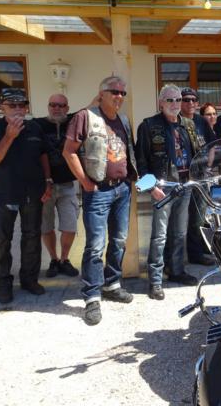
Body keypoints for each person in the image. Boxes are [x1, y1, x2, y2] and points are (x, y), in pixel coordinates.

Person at [63, 76, 138, 326]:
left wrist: (132, 179)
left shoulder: (123, 120)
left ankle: (112, 284)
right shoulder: (85, 117)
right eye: (114, 91)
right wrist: (85, 182)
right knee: (95, 246)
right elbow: (69, 151)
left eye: (122, 93)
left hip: (122, 190)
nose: (119, 96)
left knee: (118, 240)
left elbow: (128, 151)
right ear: (101, 93)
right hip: (98, 191)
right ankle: (92, 297)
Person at [0, 88, 52, 304]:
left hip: (33, 192)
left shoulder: (34, 127)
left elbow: (43, 155)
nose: (18, 109)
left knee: (32, 237)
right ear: (2, 108)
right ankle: (3, 285)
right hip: (4, 194)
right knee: (1, 240)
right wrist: (9, 136)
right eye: (12, 105)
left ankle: (29, 280)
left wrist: (48, 181)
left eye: (22, 105)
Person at [136, 84, 200, 301]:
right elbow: (140, 161)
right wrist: (151, 187)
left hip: (184, 185)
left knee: (180, 233)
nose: (175, 104)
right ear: (161, 103)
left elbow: (197, 154)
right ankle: (155, 280)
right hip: (162, 187)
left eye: (178, 100)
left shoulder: (188, 124)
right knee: (159, 236)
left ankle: (176, 270)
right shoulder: (148, 125)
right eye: (170, 100)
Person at [33, 94, 80, 278]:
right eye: (53, 105)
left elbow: (92, 105)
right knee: (46, 227)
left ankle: (64, 259)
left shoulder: (73, 121)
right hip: (44, 187)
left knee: (70, 225)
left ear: (67, 108)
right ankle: (53, 259)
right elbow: (12, 123)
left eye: (61, 105)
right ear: (48, 106)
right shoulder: (36, 124)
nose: (56, 108)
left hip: (67, 184)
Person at [179, 88, 216, 266]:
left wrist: (208, 166)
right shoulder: (176, 120)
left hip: (201, 175)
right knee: (178, 219)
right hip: (182, 176)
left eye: (193, 100)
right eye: (186, 100)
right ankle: (176, 256)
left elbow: (212, 144)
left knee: (199, 216)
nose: (190, 103)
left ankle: (197, 253)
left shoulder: (201, 121)